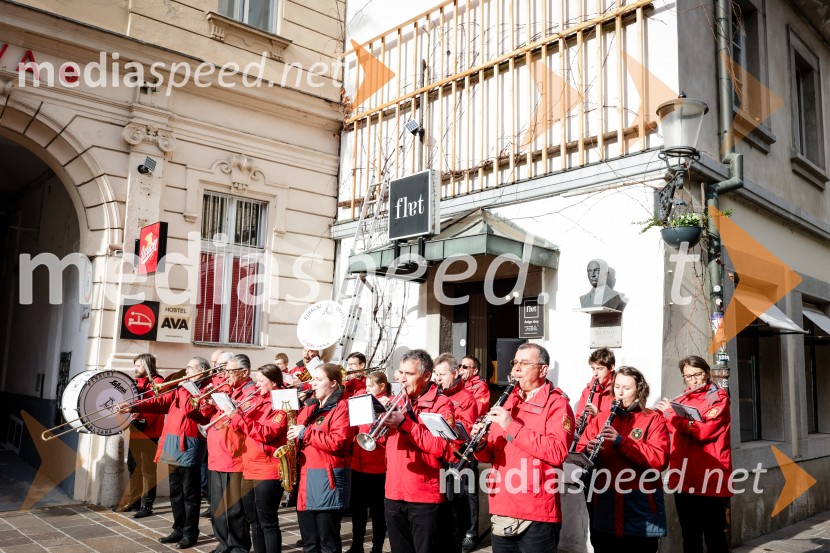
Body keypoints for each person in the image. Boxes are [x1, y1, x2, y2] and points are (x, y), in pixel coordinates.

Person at [472, 343, 574, 552]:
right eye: (515, 362)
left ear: (543, 370)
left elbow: (557, 452)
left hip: (537, 511)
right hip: (502, 505)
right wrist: (480, 443)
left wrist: (511, 425)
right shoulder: (507, 401)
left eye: (525, 363)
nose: (516, 368)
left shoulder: (557, 404)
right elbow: (490, 454)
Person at [578, 366, 670, 552]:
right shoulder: (602, 418)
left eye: (626, 388)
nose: (620, 393)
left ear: (639, 391)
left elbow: (659, 459)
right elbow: (581, 449)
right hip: (606, 505)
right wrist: (587, 450)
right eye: (617, 387)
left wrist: (621, 442)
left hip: (640, 507)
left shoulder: (653, 419)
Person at [123, 357, 209, 549]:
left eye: (190, 368)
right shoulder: (181, 388)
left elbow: (192, 411)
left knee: (190, 495)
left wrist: (185, 389)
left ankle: (190, 533)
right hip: (172, 442)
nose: (186, 371)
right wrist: (134, 406)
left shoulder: (204, 389)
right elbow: (159, 403)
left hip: (189, 444)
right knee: (176, 493)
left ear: (201, 371)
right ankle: (178, 529)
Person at [380, 349, 456, 553]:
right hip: (394, 492)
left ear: (426, 376)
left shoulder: (441, 404)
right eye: (401, 372)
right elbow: (383, 445)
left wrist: (404, 424)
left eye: (409, 374)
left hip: (424, 496)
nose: (402, 379)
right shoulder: (397, 401)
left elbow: (440, 447)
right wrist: (378, 420)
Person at [655, 356, 732, 553]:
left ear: (706, 373)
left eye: (697, 374)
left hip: (710, 478)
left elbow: (703, 432)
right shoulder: (682, 399)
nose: (693, 380)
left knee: (714, 537)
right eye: (688, 376)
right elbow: (674, 430)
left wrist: (671, 415)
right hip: (683, 477)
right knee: (690, 536)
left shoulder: (719, 398)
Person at [287, 362, 356, 553]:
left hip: (326, 479)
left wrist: (305, 432)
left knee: (328, 543)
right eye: (313, 380)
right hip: (305, 480)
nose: (313, 384)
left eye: (318, 380)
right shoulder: (312, 406)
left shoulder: (343, 407)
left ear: (333, 383)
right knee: (309, 543)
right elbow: (297, 433)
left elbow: (338, 442)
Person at [194, 353, 257, 553]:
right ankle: (224, 543)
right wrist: (209, 401)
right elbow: (204, 414)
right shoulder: (227, 389)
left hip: (235, 456)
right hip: (217, 454)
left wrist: (226, 405)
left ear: (244, 372)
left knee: (234, 509)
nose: (225, 375)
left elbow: (245, 422)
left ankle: (238, 546)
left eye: (230, 371)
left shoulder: (251, 392)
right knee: (217, 507)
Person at [230, 364, 289, 553]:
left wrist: (238, 418)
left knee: (267, 521)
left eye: (261, 381)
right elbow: (242, 427)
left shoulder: (283, 402)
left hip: (268, 468)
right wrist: (233, 412)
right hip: (249, 465)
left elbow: (266, 433)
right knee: (253, 520)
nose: (256, 384)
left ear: (274, 382)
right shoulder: (256, 400)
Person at [433, 353, 477, 553]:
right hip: (436, 457)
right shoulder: (435, 394)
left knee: (457, 504)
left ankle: (464, 537)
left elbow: (465, 429)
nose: (438, 379)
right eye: (436, 374)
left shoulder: (466, 398)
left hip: (456, 458)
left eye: (442, 375)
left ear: (455, 373)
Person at [348, 371, 391, 553]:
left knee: (377, 510)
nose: (367, 390)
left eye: (370, 386)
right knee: (358, 510)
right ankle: (357, 545)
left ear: (382, 386)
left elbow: (387, 436)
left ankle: (377, 547)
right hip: (357, 463)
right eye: (366, 386)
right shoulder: (363, 400)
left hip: (377, 466)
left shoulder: (388, 404)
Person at [121, 353, 165, 518]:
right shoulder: (135, 382)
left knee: (148, 471)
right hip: (135, 432)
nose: (135, 368)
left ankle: (147, 505)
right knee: (133, 468)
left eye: (138, 365)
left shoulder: (157, 382)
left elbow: (157, 405)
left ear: (147, 365)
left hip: (149, 433)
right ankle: (134, 501)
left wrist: (141, 417)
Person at [456, 354, 489, 550]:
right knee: (454, 489)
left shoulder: (480, 387)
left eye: (465, 367)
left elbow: (476, 408)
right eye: (460, 366)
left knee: (469, 491)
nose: (461, 370)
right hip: (455, 442)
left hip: (471, 443)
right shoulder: (458, 386)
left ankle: (470, 533)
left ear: (475, 370)